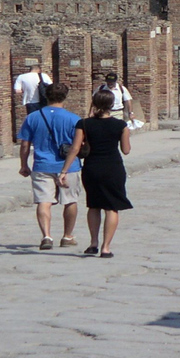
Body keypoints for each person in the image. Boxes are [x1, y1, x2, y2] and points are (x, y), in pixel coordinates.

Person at [59, 90, 132, 258]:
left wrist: (64, 170)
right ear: (112, 105)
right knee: (111, 207)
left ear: (94, 103)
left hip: (92, 167)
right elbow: (126, 150)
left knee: (93, 205)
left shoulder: (84, 124)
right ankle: (106, 248)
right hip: (113, 168)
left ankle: (93, 243)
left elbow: (75, 148)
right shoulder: (120, 125)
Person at [17, 83, 81, 250]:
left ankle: (46, 235)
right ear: (65, 97)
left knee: (43, 201)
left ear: (46, 96)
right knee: (70, 201)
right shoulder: (74, 119)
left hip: (42, 164)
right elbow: (79, 145)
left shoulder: (32, 117)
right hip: (68, 166)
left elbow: (25, 145)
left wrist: (23, 165)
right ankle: (67, 236)